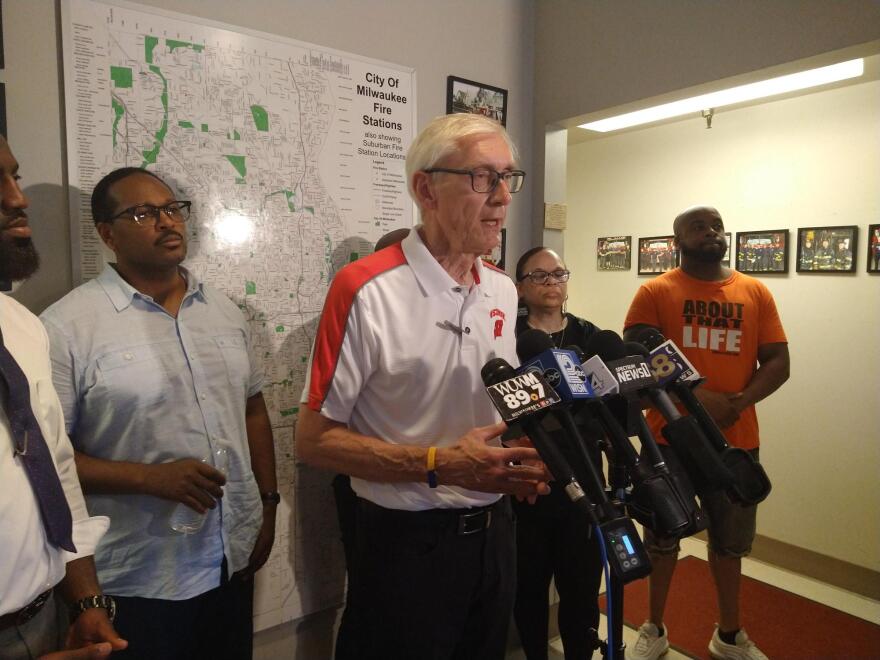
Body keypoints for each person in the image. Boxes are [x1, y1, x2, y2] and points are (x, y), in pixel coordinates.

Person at [296, 113, 549, 660]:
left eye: (510, 177)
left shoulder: (504, 290)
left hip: (498, 532)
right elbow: (313, 441)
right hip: (407, 546)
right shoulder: (365, 288)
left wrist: (529, 458)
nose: (504, 197)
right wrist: (439, 462)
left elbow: (498, 410)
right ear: (425, 188)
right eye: (484, 177)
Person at [40, 168, 277, 660]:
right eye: (143, 213)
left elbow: (253, 408)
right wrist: (149, 479)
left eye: (173, 208)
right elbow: (45, 460)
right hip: (138, 578)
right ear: (107, 234)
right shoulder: (66, 329)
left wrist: (268, 505)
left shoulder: (225, 313)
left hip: (229, 560)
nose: (167, 222)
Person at [623, 205, 790, 660]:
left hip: (733, 442)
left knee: (730, 543)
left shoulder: (754, 291)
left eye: (716, 225)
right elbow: (639, 364)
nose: (711, 232)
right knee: (661, 538)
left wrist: (736, 402)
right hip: (667, 439)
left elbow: (778, 361)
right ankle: (654, 628)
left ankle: (729, 635)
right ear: (677, 240)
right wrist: (695, 403)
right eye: (698, 227)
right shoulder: (655, 292)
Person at [0, 134, 127, 659]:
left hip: (45, 615)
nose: (17, 198)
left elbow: (52, 467)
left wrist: (84, 597)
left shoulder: (20, 327)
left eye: (15, 176)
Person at [511, 247, 603, 660]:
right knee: (529, 582)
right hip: (530, 476)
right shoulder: (507, 338)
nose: (552, 283)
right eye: (539, 276)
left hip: (584, 472)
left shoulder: (590, 335)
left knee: (581, 584)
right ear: (520, 287)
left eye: (559, 274)